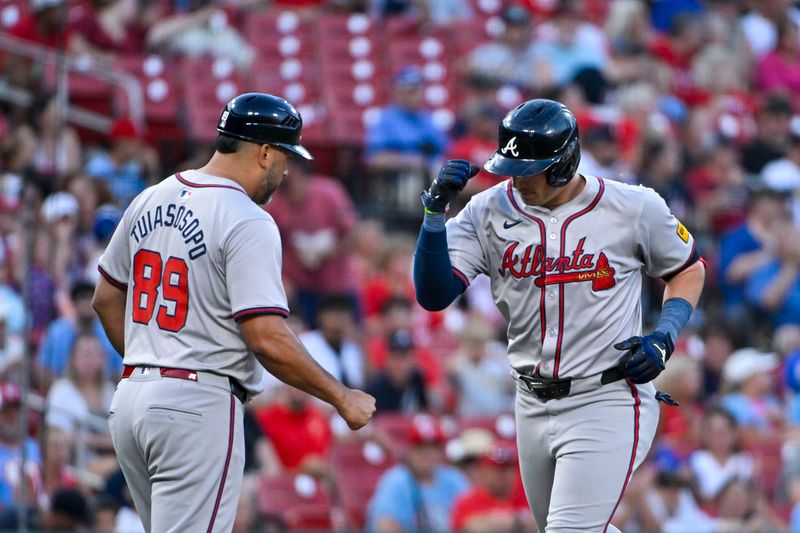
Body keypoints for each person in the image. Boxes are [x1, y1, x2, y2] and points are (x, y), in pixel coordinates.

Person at [413, 99, 706, 532]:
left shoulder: (633, 206)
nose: (517, 178)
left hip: (604, 394)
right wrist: (434, 217)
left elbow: (687, 268)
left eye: (530, 168)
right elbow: (434, 295)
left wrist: (664, 335)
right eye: (511, 167)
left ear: (564, 162)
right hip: (530, 401)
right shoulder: (487, 210)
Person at [92, 92, 375, 533]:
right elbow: (266, 338)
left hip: (131, 400)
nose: (285, 171)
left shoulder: (151, 196)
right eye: (285, 158)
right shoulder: (247, 218)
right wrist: (342, 397)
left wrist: (153, 360)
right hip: (196, 404)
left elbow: (106, 299)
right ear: (264, 152)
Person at [366, 415, 469, 532]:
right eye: (420, 447)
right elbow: (384, 526)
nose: (427, 453)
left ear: (440, 451)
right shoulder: (396, 480)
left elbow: (472, 516)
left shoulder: (454, 479)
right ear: (410, 450)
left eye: (432, 448)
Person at [450, 443, 535, 532]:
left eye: (508, 468)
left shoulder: (528, 496)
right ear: (484, 471)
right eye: (497, 469)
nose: (503, 475)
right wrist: (519, 520)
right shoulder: (467, 501)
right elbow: (472, 527)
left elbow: (540, 524)